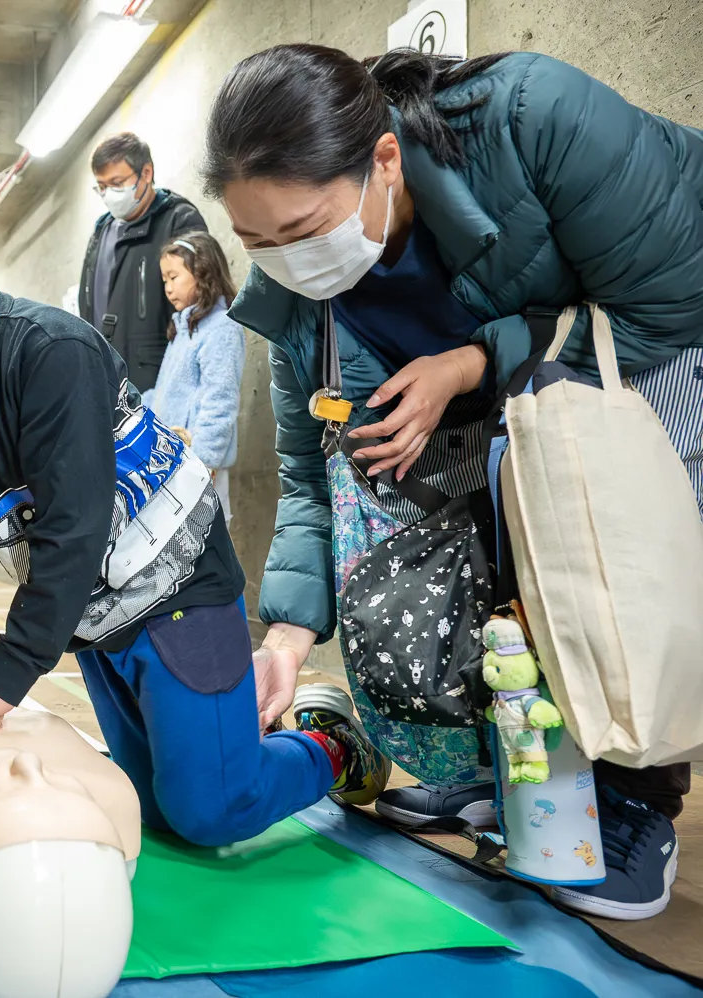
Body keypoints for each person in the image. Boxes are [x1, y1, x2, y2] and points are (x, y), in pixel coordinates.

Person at [206, 44, 703, 919]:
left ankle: (635, 797)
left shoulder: (532, 118)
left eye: (304, 229)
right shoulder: (292, 297)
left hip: (651, 339)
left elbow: (668, 303)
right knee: (450, 546)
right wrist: (284, 641)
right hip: (496, 389)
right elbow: (308, 473)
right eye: (258, 243)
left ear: (384, 161)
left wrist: (469, 364)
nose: (287, 259)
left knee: (606, 544)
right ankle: (502, 768)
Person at [0, 181, 389, 849]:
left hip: (178, 593)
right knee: (143, 805)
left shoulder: (51, 353)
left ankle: (330, 746)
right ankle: (229, 742)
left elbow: (75, 532)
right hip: (92, 616)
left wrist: (8, 672)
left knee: (212, 810)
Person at [79, 133, 208, 392]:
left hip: (157, 377)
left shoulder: (178, 220)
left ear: (146, 173)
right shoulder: (101, 232)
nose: (108, 194)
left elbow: (198, 307)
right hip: (106, 376)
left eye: (117, 183)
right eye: (101, 186)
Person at [144, 230, 246, 520]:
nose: (168, 288)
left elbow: (221, 400)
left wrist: (203, 462)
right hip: (171, 463)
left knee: (205, 537)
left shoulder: (221, 328)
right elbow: (165, 394)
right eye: (164, 280)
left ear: (202, 273)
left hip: (200, 465)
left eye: (174, 277)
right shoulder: (183, 330)